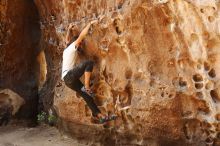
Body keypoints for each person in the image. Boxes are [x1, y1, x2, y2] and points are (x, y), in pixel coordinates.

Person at [61, 20, 115, 123]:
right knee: (88, 63)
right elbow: (81, 35)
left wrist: (69, 29)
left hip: (68, 81)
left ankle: (100, 116)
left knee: (86, 96)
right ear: (76, 43)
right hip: (69, 76)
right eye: (79, 44)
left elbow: (67, 39)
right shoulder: (72, 47)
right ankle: (86, 86)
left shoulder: (66, 49)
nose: (80, 46)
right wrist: (89, 24)